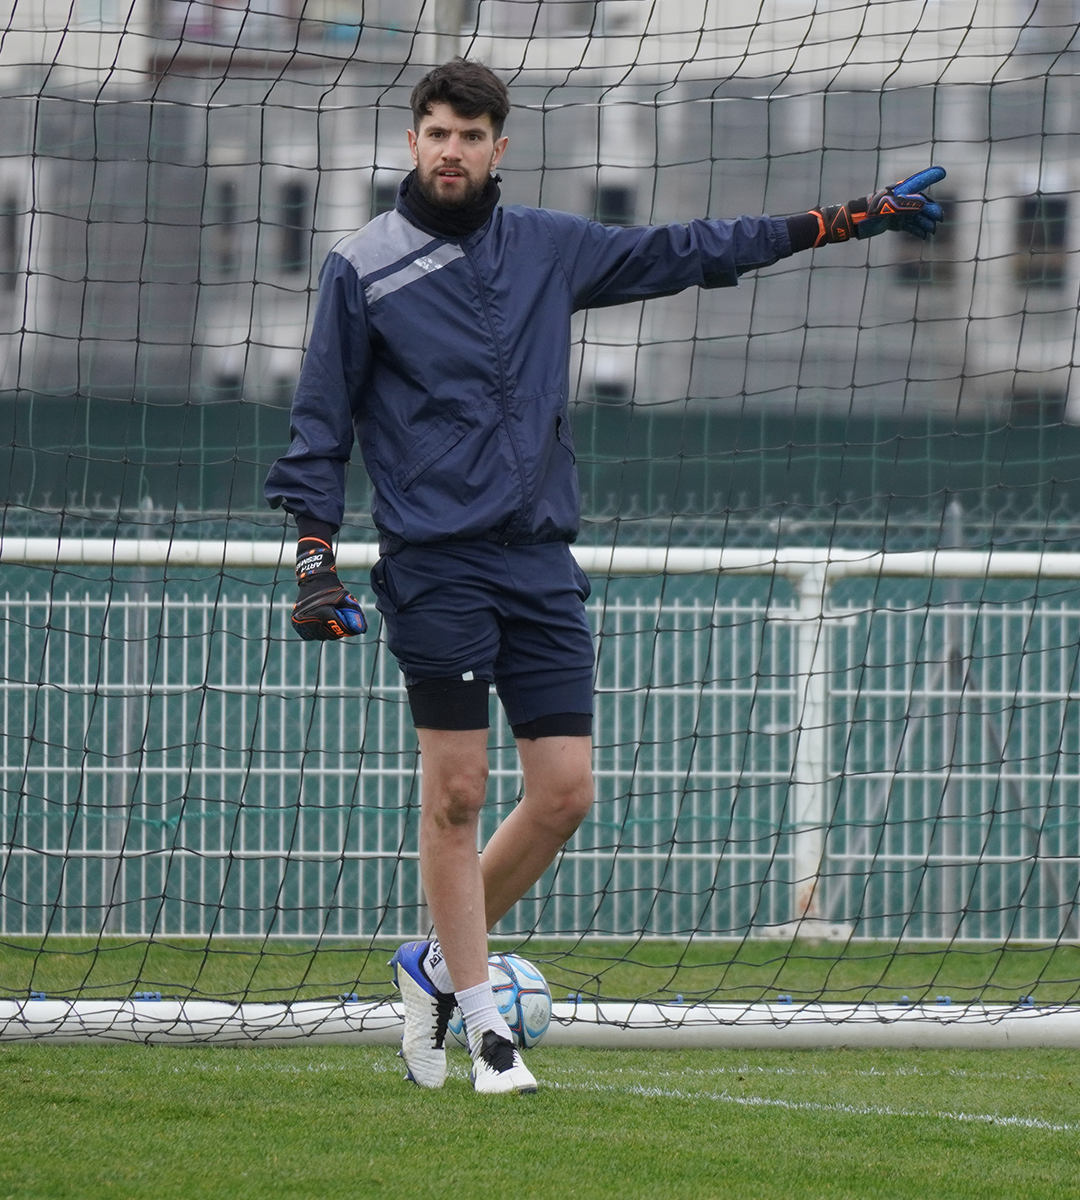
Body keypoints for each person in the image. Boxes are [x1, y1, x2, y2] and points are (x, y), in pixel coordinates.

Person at [264, 59, 944, 1095]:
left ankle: (437, 968)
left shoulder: (547, 246)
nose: (451, 150)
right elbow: (319, 425)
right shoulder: (362, 267)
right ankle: (488, 1031)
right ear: (412, 142)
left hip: (538, 561)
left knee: (566, 793)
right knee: (455, 792)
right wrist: (314, 559)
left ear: (501, 146)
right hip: (435, 563)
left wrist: (840, 220)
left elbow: (688, 253)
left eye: (470, 135)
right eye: (435, 132)